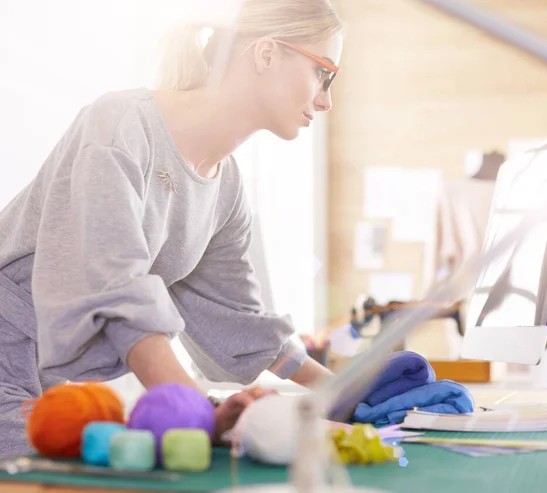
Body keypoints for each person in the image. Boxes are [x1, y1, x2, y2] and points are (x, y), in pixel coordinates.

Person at [0, 0, 344, 458]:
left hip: (50, 381)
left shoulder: (227, 187)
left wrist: (346, 392)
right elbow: (114, 285)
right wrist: (196, 412)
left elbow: (234, 318)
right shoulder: (121, 124)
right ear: (266, 54)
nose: (327, 99)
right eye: (325, 73)